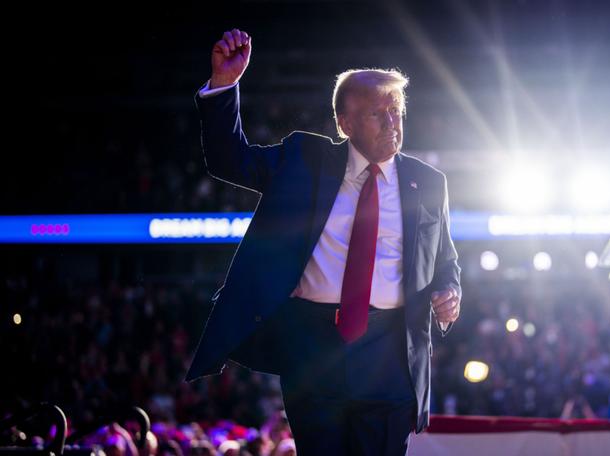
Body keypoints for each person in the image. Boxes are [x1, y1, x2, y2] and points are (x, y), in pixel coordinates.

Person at [185, 28, 462, 455]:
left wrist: (449, 291)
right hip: (312, 349)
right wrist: (224, 85)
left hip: (390, 355)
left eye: (397, 112)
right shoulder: (304, 160)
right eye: (377, 114)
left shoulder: (428, 183)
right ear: (345, 123)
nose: (392, 123)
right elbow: (229, 159)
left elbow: (445, 263)